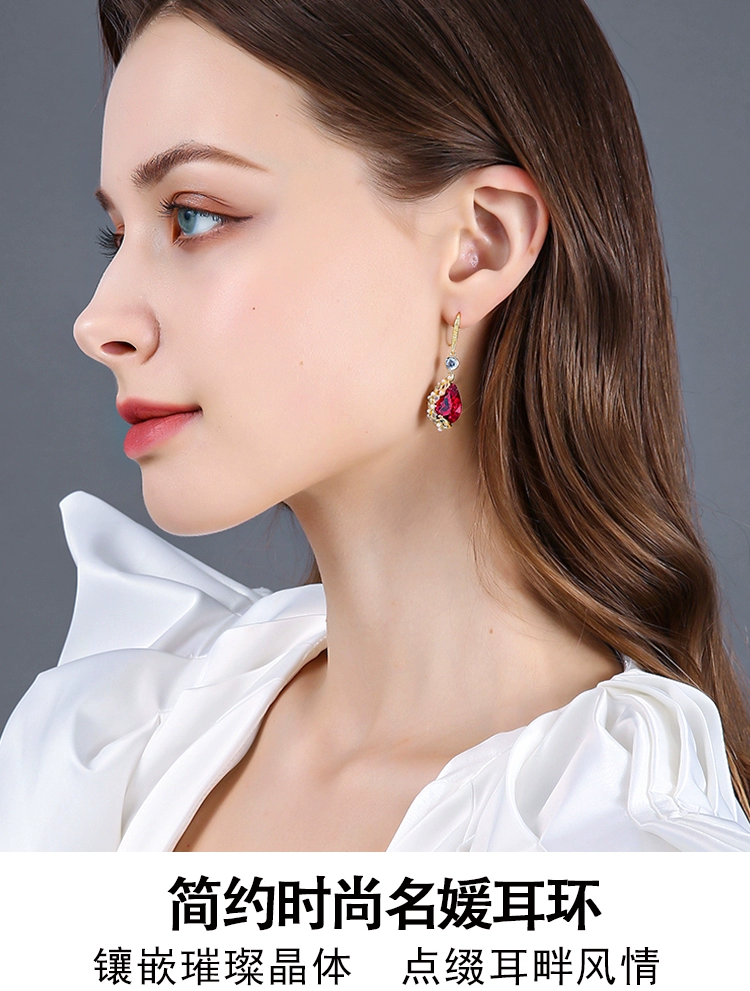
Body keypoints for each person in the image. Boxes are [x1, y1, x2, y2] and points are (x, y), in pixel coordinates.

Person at [0, 0, 749, 852]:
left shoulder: (626, 863)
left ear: (478, 245)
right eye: (117, 236)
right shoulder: (98, 749)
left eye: (195, 215)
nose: (99, 322)